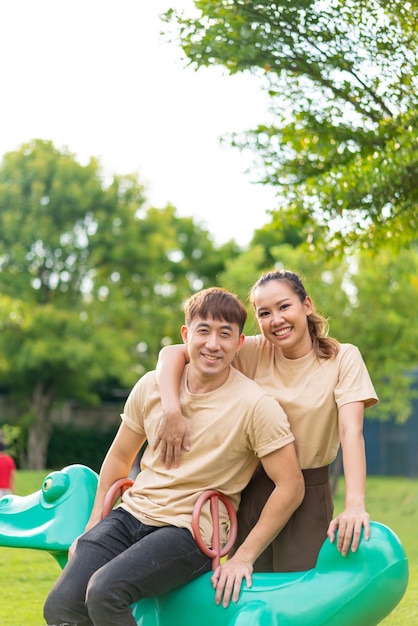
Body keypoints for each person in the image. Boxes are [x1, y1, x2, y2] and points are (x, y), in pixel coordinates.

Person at [43, 287, 304, 626]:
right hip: (132, 513)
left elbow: (291, 486)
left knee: (105, 592)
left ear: (239, 343)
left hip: (191, 530)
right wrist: (94, 524)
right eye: (204, 331)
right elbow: (119, 457)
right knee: (61, 607)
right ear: (186, 335)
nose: (213, 344)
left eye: (225, 334)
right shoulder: (152, 387)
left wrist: (243, 557)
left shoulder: (256, 406)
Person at [155, 269, 378, 572]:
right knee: (239, 581)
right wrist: (172, 410)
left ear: (306, 305)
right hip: (249, 484)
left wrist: (355, 504)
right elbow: (172, 354)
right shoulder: (252, 350)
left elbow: (351, 431)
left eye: (284, 306)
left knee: (298, 594)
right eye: (264, 313)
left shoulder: (343, 358)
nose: (276, 320)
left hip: (308, 492)